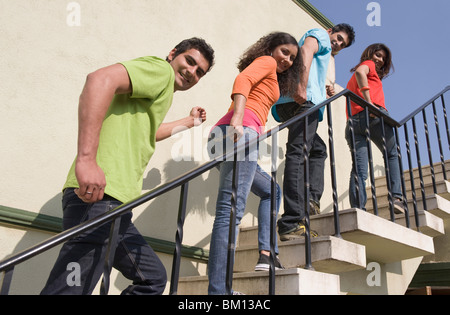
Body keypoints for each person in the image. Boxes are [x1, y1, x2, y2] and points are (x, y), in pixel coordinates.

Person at [41, 38, 215, 295]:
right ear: (172, 54)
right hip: (99, 198)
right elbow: (99, 80)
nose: (192, 72)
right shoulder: (160, 71)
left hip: (116, 204)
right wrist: (87, 159)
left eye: (199, 72)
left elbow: (150, 132)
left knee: (152, 279)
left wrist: (189, 122)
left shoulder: (161, 90)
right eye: (189, 61)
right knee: (70, 290)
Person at [207, 32, 301, 295]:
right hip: (239, 131)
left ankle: (266, 254)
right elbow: (243, 79)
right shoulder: (266, 61)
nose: (287, 60)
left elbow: (278, 97)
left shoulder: (273, 77)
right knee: (230, 211)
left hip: (224, 137)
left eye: (293, 57)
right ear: (271, 48)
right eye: (284, 52)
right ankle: (219, 292)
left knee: (272, 190)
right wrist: (238, 120)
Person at [272, 24, 355, 241]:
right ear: (330, 31)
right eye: (337, 38)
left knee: (317, 149)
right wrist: (302, 85)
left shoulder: (325, 49)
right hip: (302, 100)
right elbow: (306, 52)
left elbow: (310, 59)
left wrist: (323, 87)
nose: (337, 44)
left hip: (292, 102)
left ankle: (310, 200)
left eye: (342, 44)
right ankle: (291, 222)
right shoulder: (320, 35)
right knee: (298, 154)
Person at [345, 43, 406, 214]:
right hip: (371, 115)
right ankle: (396, 197)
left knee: (359, 168)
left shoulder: (352, 80)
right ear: (370, 53)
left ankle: (358, 208)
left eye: (383, 58)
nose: (379, 60)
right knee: (392, 154)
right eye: (377, 55)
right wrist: (369, 103)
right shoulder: (367, 66)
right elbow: (360, 72)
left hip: (353, 122)